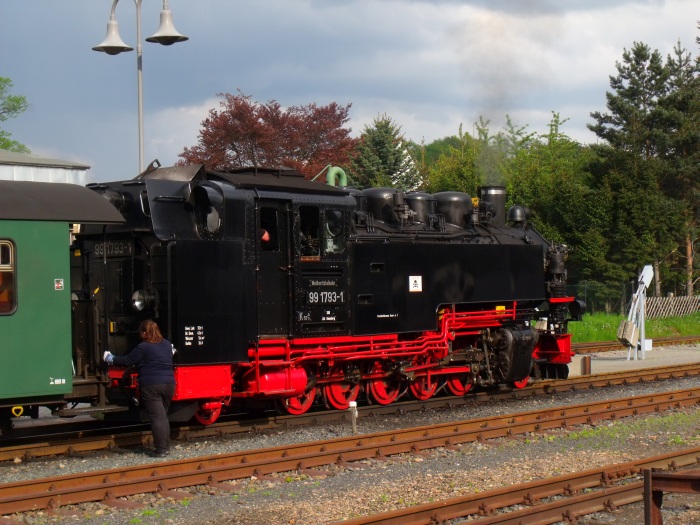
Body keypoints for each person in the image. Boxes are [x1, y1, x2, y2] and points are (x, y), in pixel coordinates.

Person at [104, 320, 175, 457]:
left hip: (151, 385)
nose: (140, 334)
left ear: (144, 333)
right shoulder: (166, 344)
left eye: (141, 332)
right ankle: (166, 447)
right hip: (169, 384)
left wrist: (110, 358)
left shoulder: (143, 347)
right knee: (163, 416)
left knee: (157, 418)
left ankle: (161, 450)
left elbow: (127, 361)